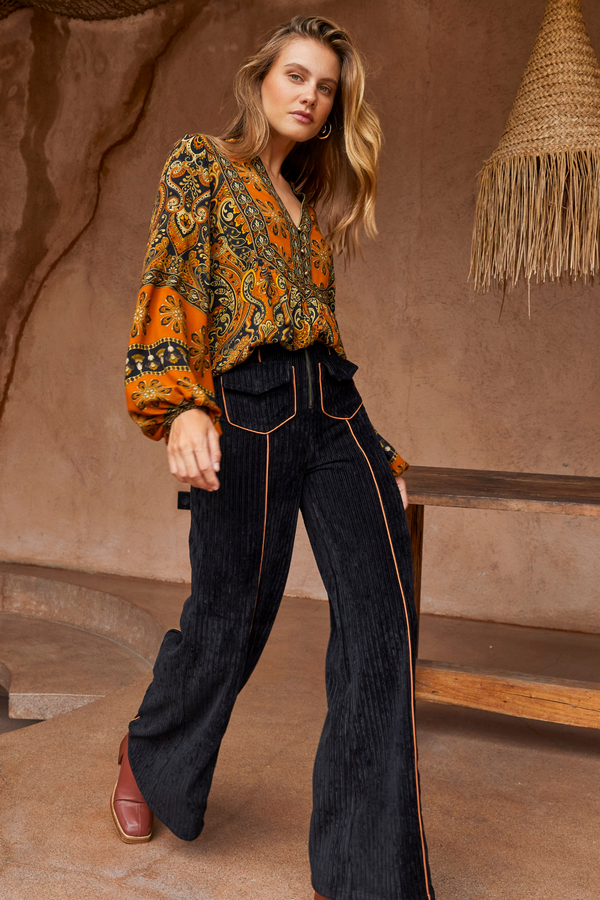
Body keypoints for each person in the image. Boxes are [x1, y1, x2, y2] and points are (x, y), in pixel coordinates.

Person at [114, 14, 435, 900]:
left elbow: (321, 339)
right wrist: (180, 404)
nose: (311, 96)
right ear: (261, 80)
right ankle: (147, 752)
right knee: (230, 619)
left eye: (326, 87)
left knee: (383, 619)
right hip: (245, 409)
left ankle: (366, 878)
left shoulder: (309, 214)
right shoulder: (202, 164)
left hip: (334, 412)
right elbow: (170, 281)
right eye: (297, 76)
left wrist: (375, 447)